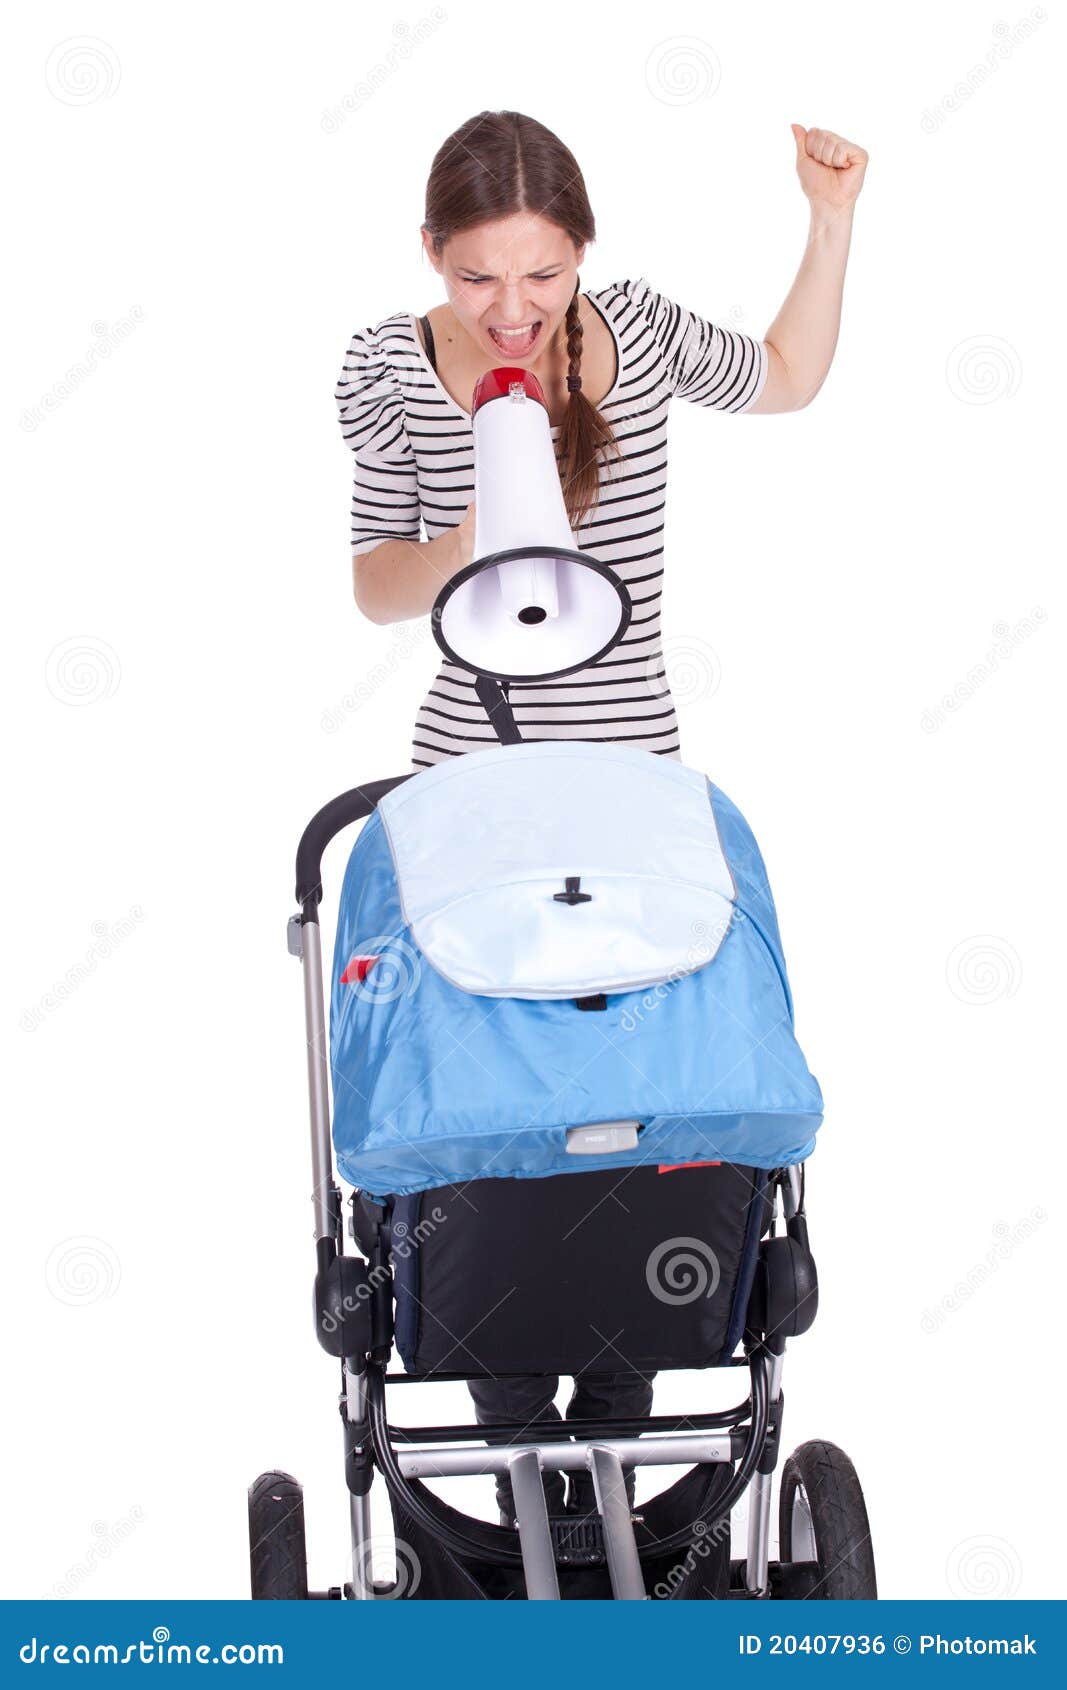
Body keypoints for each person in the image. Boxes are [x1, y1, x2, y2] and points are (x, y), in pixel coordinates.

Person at [335, 109, 866, 1523]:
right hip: (471, 802)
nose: (511, 308)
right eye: (477, 279)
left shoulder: (632, 328)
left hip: (633, 805)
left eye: (543, 276)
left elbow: (790, 377)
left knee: (634, 1123)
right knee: (507, 1125)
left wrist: (828, 220)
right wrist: (475, 536)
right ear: (431, 260)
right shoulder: (387, 366)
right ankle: (521, 1460)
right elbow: (374, 581)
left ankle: (617, 1463)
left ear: (584, 259)